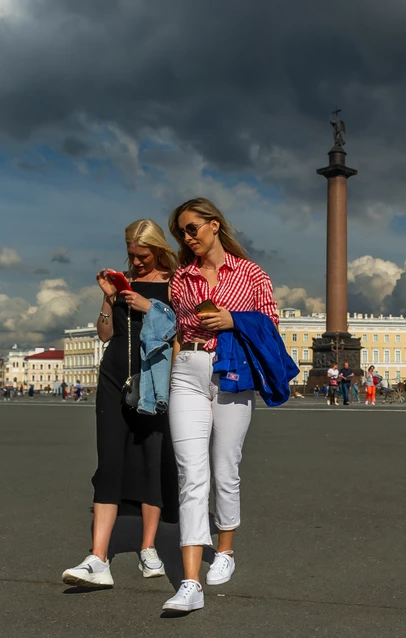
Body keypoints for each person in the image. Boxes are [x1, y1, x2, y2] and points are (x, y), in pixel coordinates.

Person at [163, 197, 280, 613]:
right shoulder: (182, 278)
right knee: (191, 474)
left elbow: (270, 325)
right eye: (181, 232)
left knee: (224, 466)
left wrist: (233, 319)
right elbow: (179, 329)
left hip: (232, 372)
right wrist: (177, 370)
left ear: (215, 225)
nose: (187, 237)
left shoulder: (251, 274)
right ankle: (190, 583)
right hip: (189, 370)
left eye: (192, 228)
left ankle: (225, 550)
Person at [62, 219, 180, 589]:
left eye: (142, 255)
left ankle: (148, 548)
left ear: (158, 249)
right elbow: (105, 333)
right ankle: (98, 559)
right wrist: (106, 296)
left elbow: (182, 329)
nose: (136, 262)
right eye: (131, 255)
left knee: (149, 460)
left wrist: (149, 306)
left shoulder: (177, 282)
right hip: (114, 376)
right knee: (109, 461)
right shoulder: (122, 281)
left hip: (153, 381)